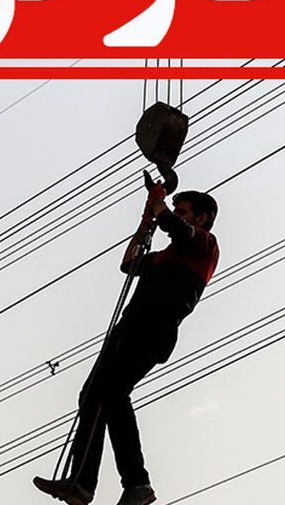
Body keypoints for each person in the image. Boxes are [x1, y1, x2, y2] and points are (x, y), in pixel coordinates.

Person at [33, 185, 220, 505]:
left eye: (183, 212)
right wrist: (145, 223)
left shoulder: (204, 244)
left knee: (113, 392)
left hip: (154, 328)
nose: (176, 215)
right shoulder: (165, 256)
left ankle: (137, 483)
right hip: (130, 328)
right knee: (92, 395)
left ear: (201, 218)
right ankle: (81, 483)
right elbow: (129, 263)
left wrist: (158, 204)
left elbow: (174, 227)